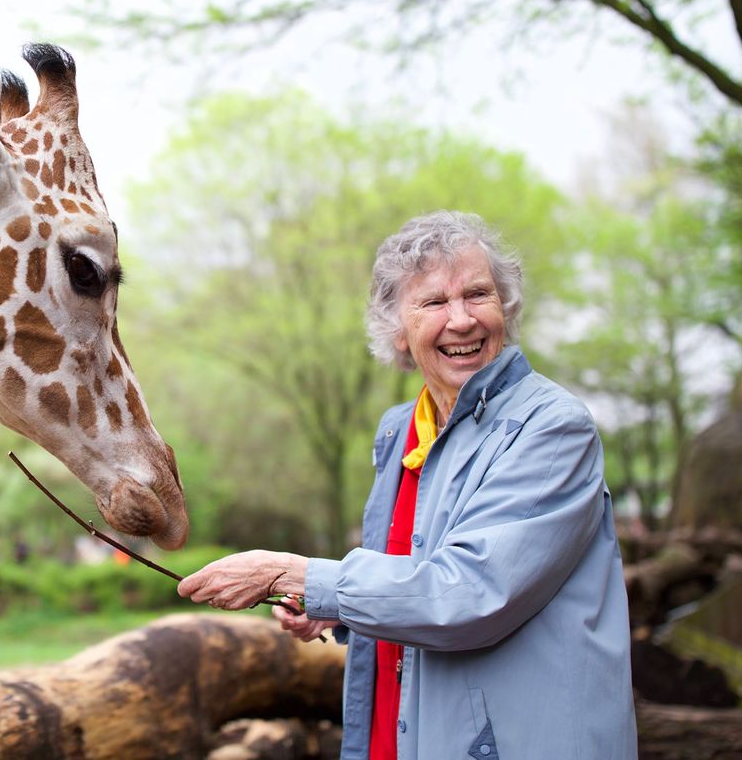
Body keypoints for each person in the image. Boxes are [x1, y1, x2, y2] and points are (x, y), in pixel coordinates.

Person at [178, 211, 636, 759]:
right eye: (434, 303)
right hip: (399, 734)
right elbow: (410, 578)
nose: (462, 320)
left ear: (505, 309)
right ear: (396, 326)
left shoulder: (553, 427)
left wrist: (296, 573)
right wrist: (335, 607)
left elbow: (470, 593)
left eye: (478, 294)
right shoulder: (402, 431)